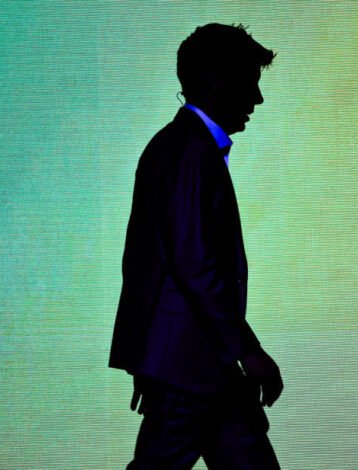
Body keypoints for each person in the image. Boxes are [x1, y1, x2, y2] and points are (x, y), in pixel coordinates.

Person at [109, 23, 283, 469]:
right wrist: (249, 351)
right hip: (193, 367)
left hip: (196, 363)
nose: (257, 99)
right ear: (215, 80)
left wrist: (152, 357)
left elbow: (149, 265)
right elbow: (193, 266)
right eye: (250, 82)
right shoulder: (190, 153)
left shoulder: (179, 148)